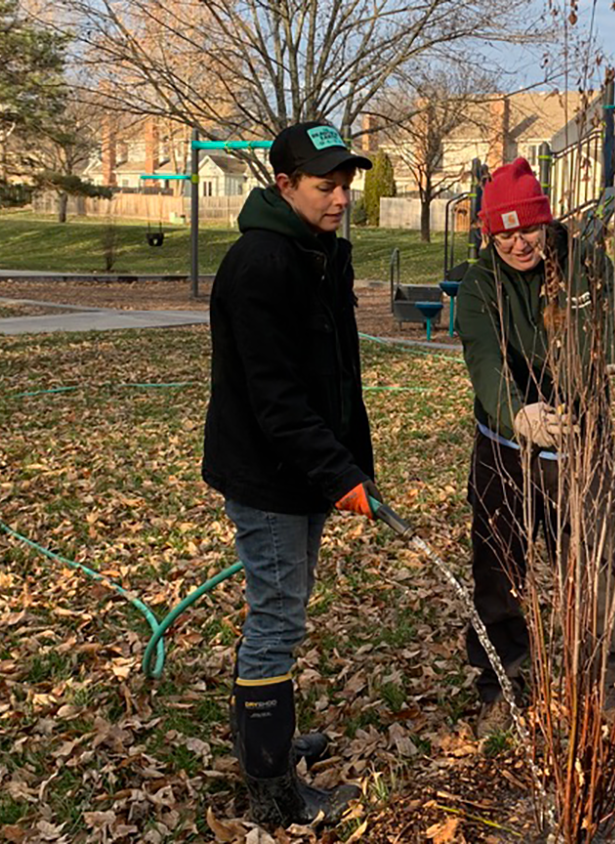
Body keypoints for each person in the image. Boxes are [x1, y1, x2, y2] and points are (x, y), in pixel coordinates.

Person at [201, 121, 378, 828]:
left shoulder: (320, 254)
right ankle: (271, 786)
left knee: (282, 611)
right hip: (270, 474)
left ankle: (263, 734)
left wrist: (352, 465)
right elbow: (275, 399)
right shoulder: (261, 266)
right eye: (324, 187)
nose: (339, 199)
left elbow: (337, 378)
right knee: (278, 619)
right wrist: (337, 474)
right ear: (284, 185)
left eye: (345, 186)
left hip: (305, 469)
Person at [454, 158, 615, 733]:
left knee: (595, 566)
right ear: (490, 233)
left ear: (547, 221)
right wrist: (517, 412)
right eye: (505, 233)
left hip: (583, 449)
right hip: (506, 453)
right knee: (498, 574)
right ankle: (501, 683)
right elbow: (484, 358)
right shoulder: (479, 285)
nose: (520, 243)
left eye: (530, 229)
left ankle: (604, 680)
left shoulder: (587, 267)